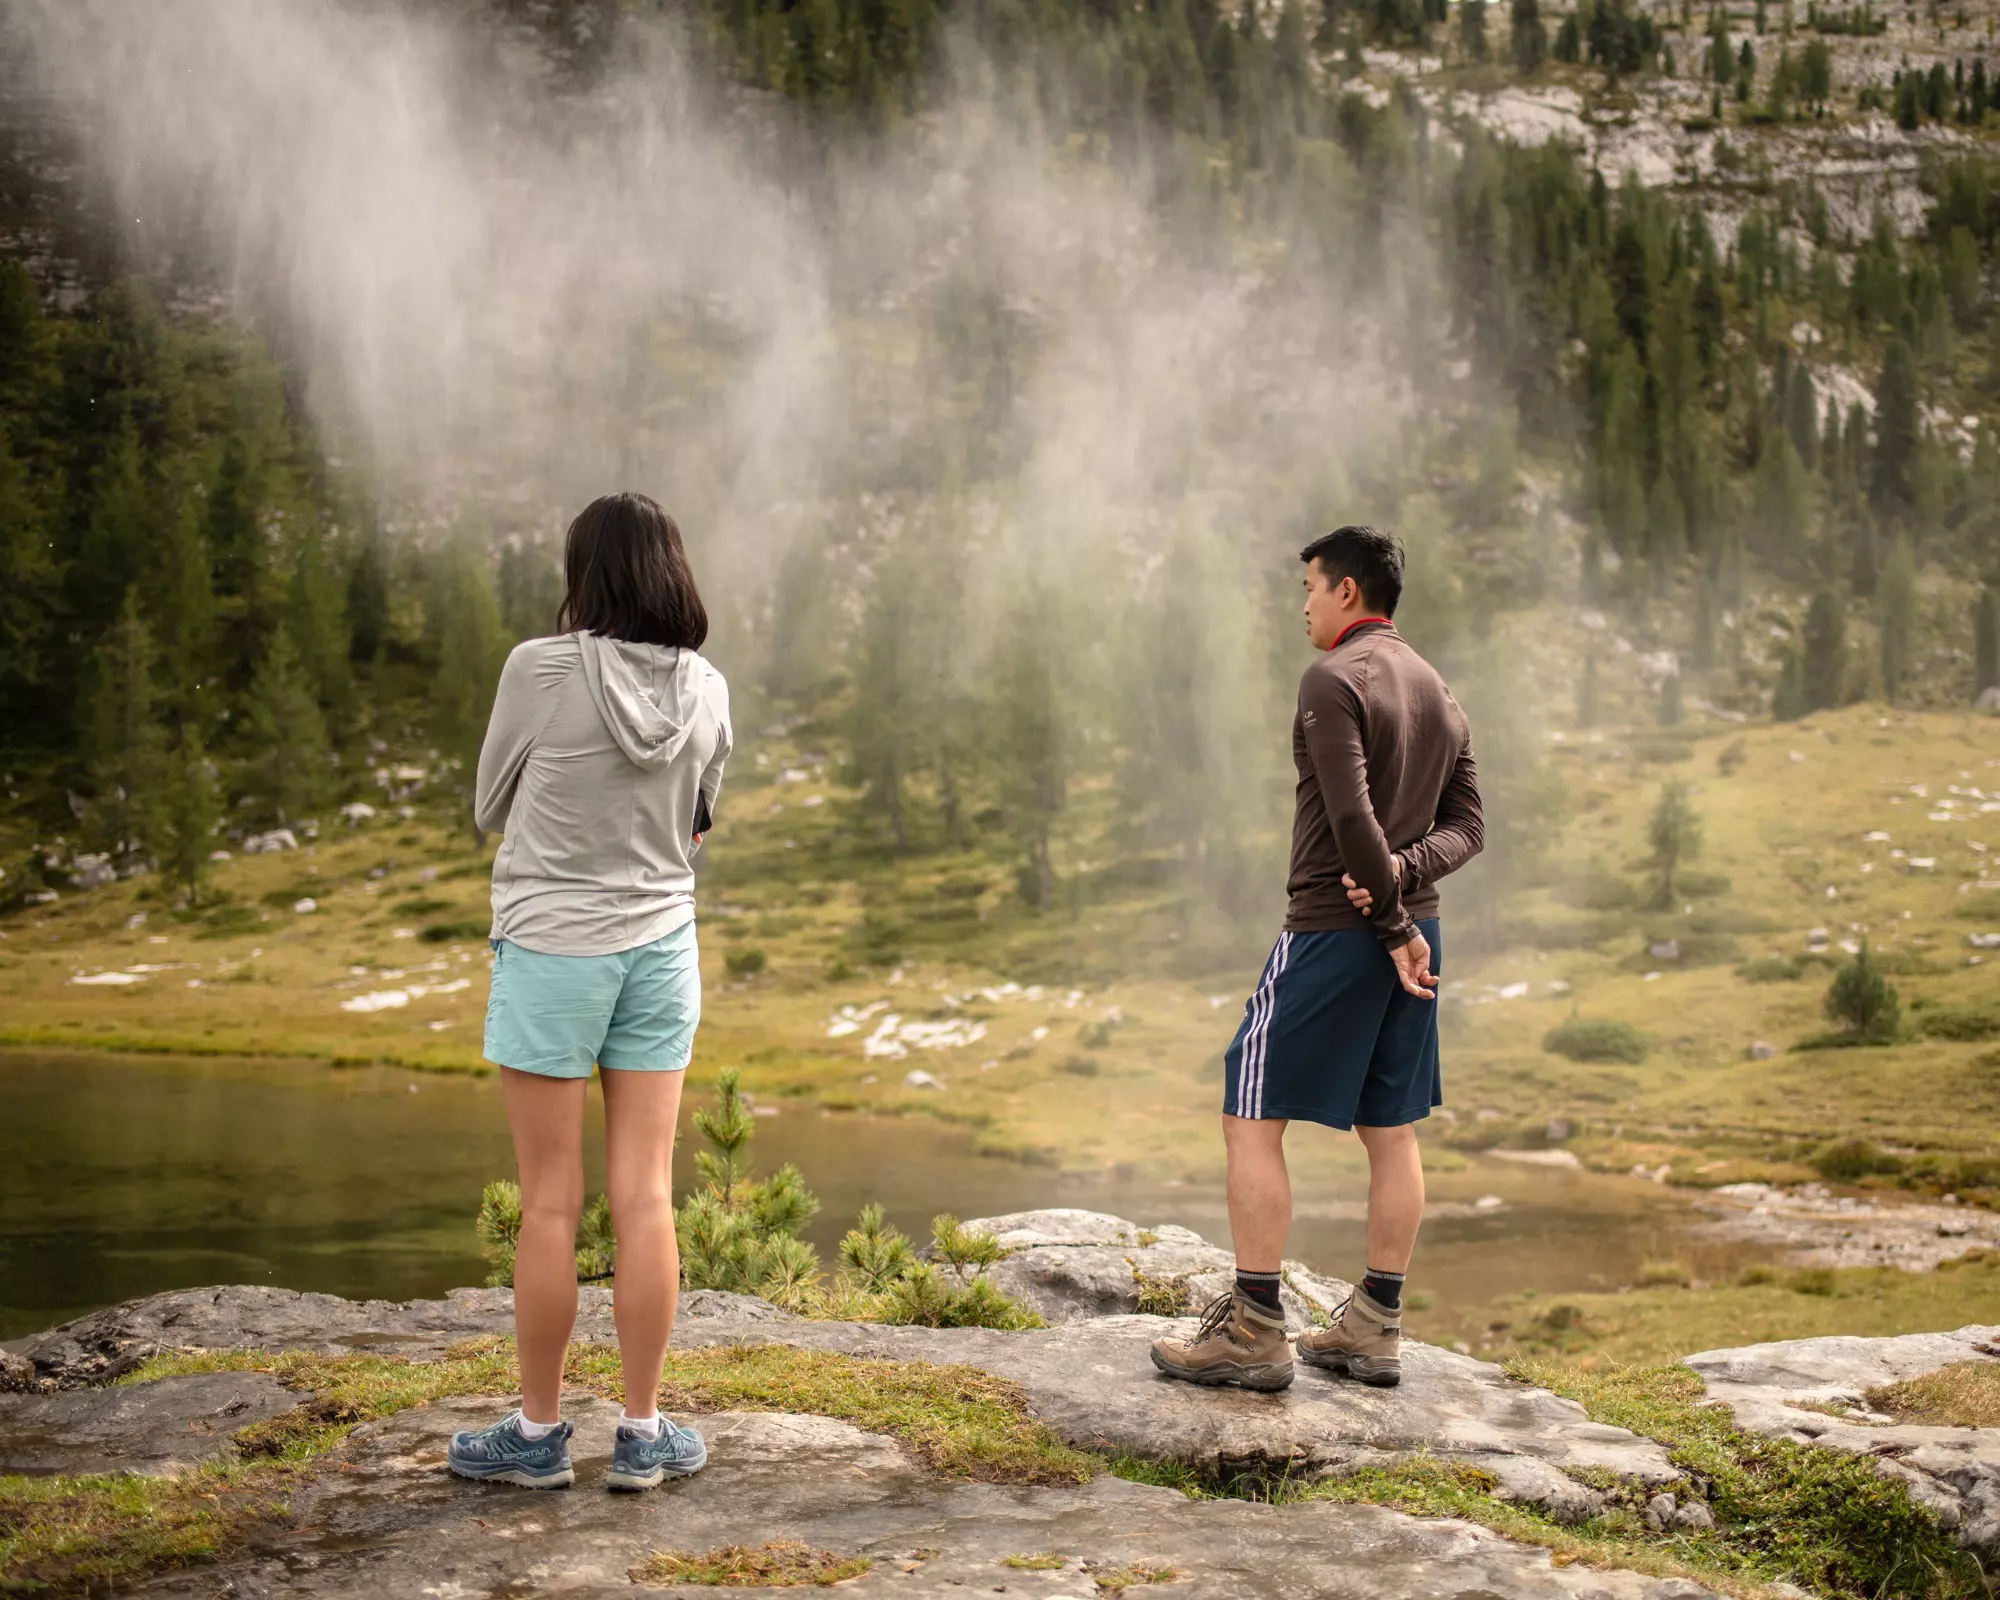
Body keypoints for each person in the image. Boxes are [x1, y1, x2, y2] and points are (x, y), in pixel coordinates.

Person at [1150, 524, 1483, 1393]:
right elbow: (1469, 828)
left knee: (1250, 1108)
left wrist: (1390, 918)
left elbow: (1352, 819)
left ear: (1346, 591)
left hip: (1337, 933)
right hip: (1416, 937)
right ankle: (1375, 1325)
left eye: (1309, 586)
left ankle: (1256, 1328)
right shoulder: (1438, 689)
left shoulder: (1332, 680)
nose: (1302, 603)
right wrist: (1410, 897)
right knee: (1392, 1125)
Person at [446, 492, 731, 1490]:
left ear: (585, 574)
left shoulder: (539, 667)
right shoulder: (707, 687)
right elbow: (699, 823)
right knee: (647, 1196)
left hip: (552, 948)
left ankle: (534, 1437)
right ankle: (645, 1433)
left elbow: (488, 802)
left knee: (549, 1207)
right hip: (660, 950)